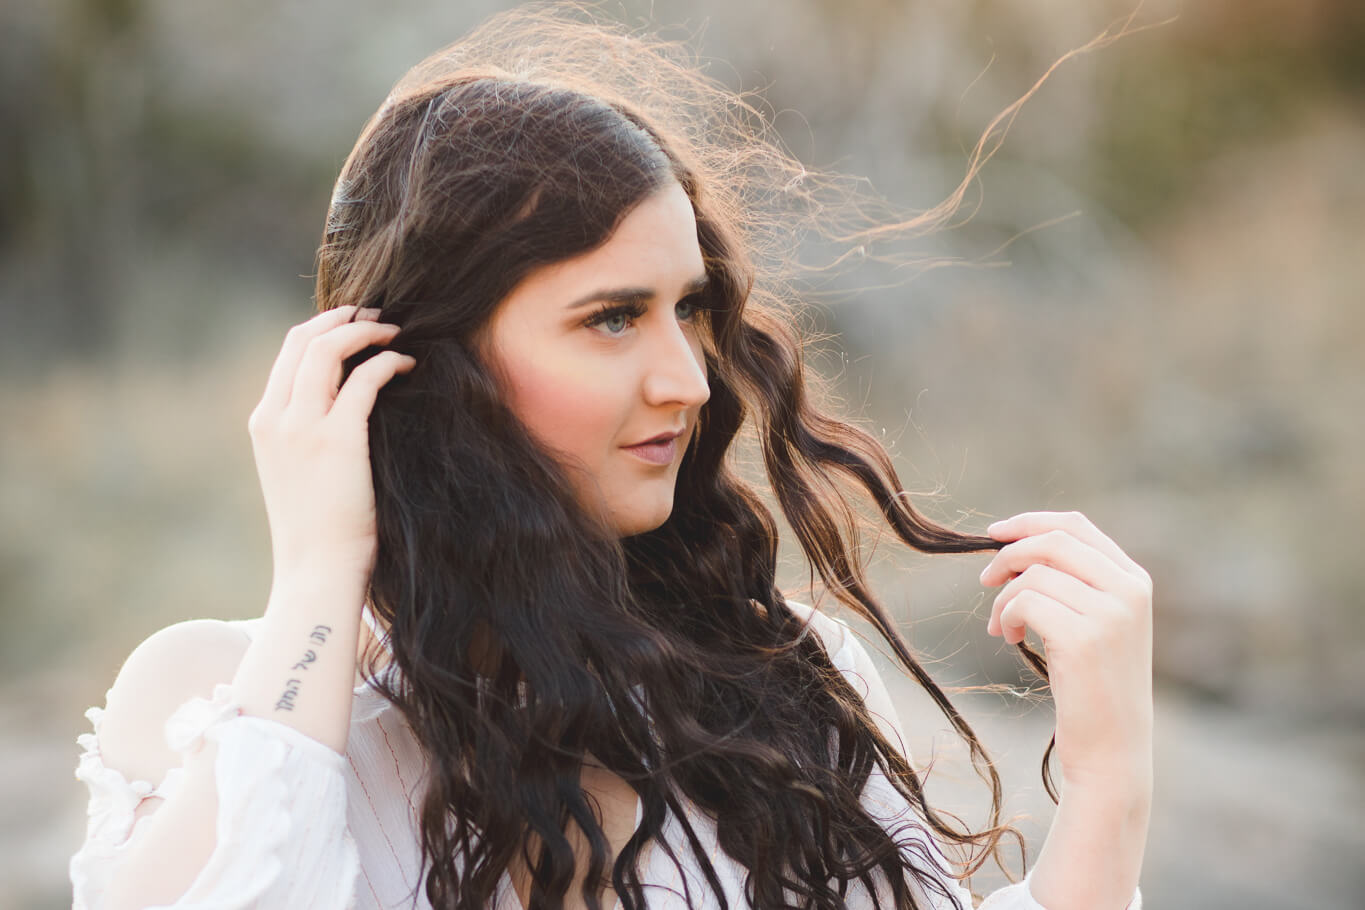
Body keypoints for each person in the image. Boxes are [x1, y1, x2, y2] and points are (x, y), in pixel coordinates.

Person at [69, 6, 1152, 909]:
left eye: (688, 309)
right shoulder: (226, 699)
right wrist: (319, 571)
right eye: (612, 318)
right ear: (419, 363)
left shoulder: (781, 676)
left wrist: (1109, 777)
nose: (690, 379)